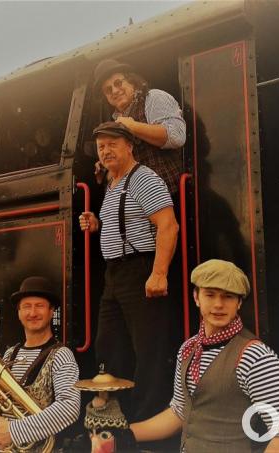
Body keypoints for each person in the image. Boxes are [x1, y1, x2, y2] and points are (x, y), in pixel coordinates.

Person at [102, 259, 279, 452]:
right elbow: (180, 412)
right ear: (196, 297)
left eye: (228, 296)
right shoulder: (188, 349)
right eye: (210, 294)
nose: (218, 304)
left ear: (239, 303)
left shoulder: (254, 356)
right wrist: (123, 435)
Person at [78, 121, 179, 423]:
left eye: (112, 144)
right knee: (109, 345)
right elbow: (127, 222)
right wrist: (98, 224)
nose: (106, 150)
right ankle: (117, 417)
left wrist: (159, 273)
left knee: (149, 351)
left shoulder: (143, 179)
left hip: (140, 269)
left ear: (130, 146)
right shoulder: (113, 183)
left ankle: (148, 423)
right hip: (115, 274)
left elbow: (168, 225)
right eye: (101, 147)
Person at [0, 276, 81, 451]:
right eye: (26, 307)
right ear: (19, 313)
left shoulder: (61, 355)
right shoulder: (9, 354)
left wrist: (14, 432)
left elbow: (70, 407)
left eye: (39, 306)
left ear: (52, 311)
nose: (32, 313)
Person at [93, 58, 186, 196]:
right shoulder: (114, 120)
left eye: (118, 83)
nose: (114, 90)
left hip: (167, 196)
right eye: (108, 89)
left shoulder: (153, 97)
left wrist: (132, 126)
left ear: (131, 80)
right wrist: (107, 164)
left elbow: (176, 136)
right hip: (137, 200)